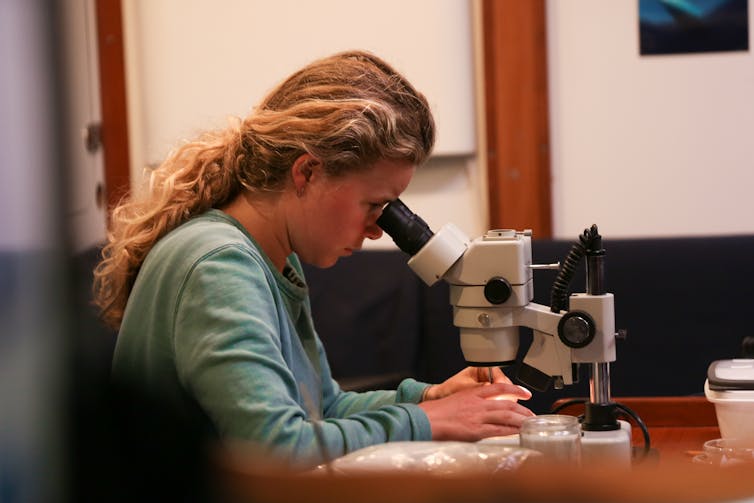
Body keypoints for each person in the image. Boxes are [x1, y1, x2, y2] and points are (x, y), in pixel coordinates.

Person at [93, 50, 534, 470]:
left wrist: (429, 398)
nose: (379, 229)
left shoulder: (271, 257)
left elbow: (324, 407)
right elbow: (276, 448)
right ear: (307, 172)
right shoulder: (220, 265)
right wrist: (431, 422)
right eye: (374, 204)